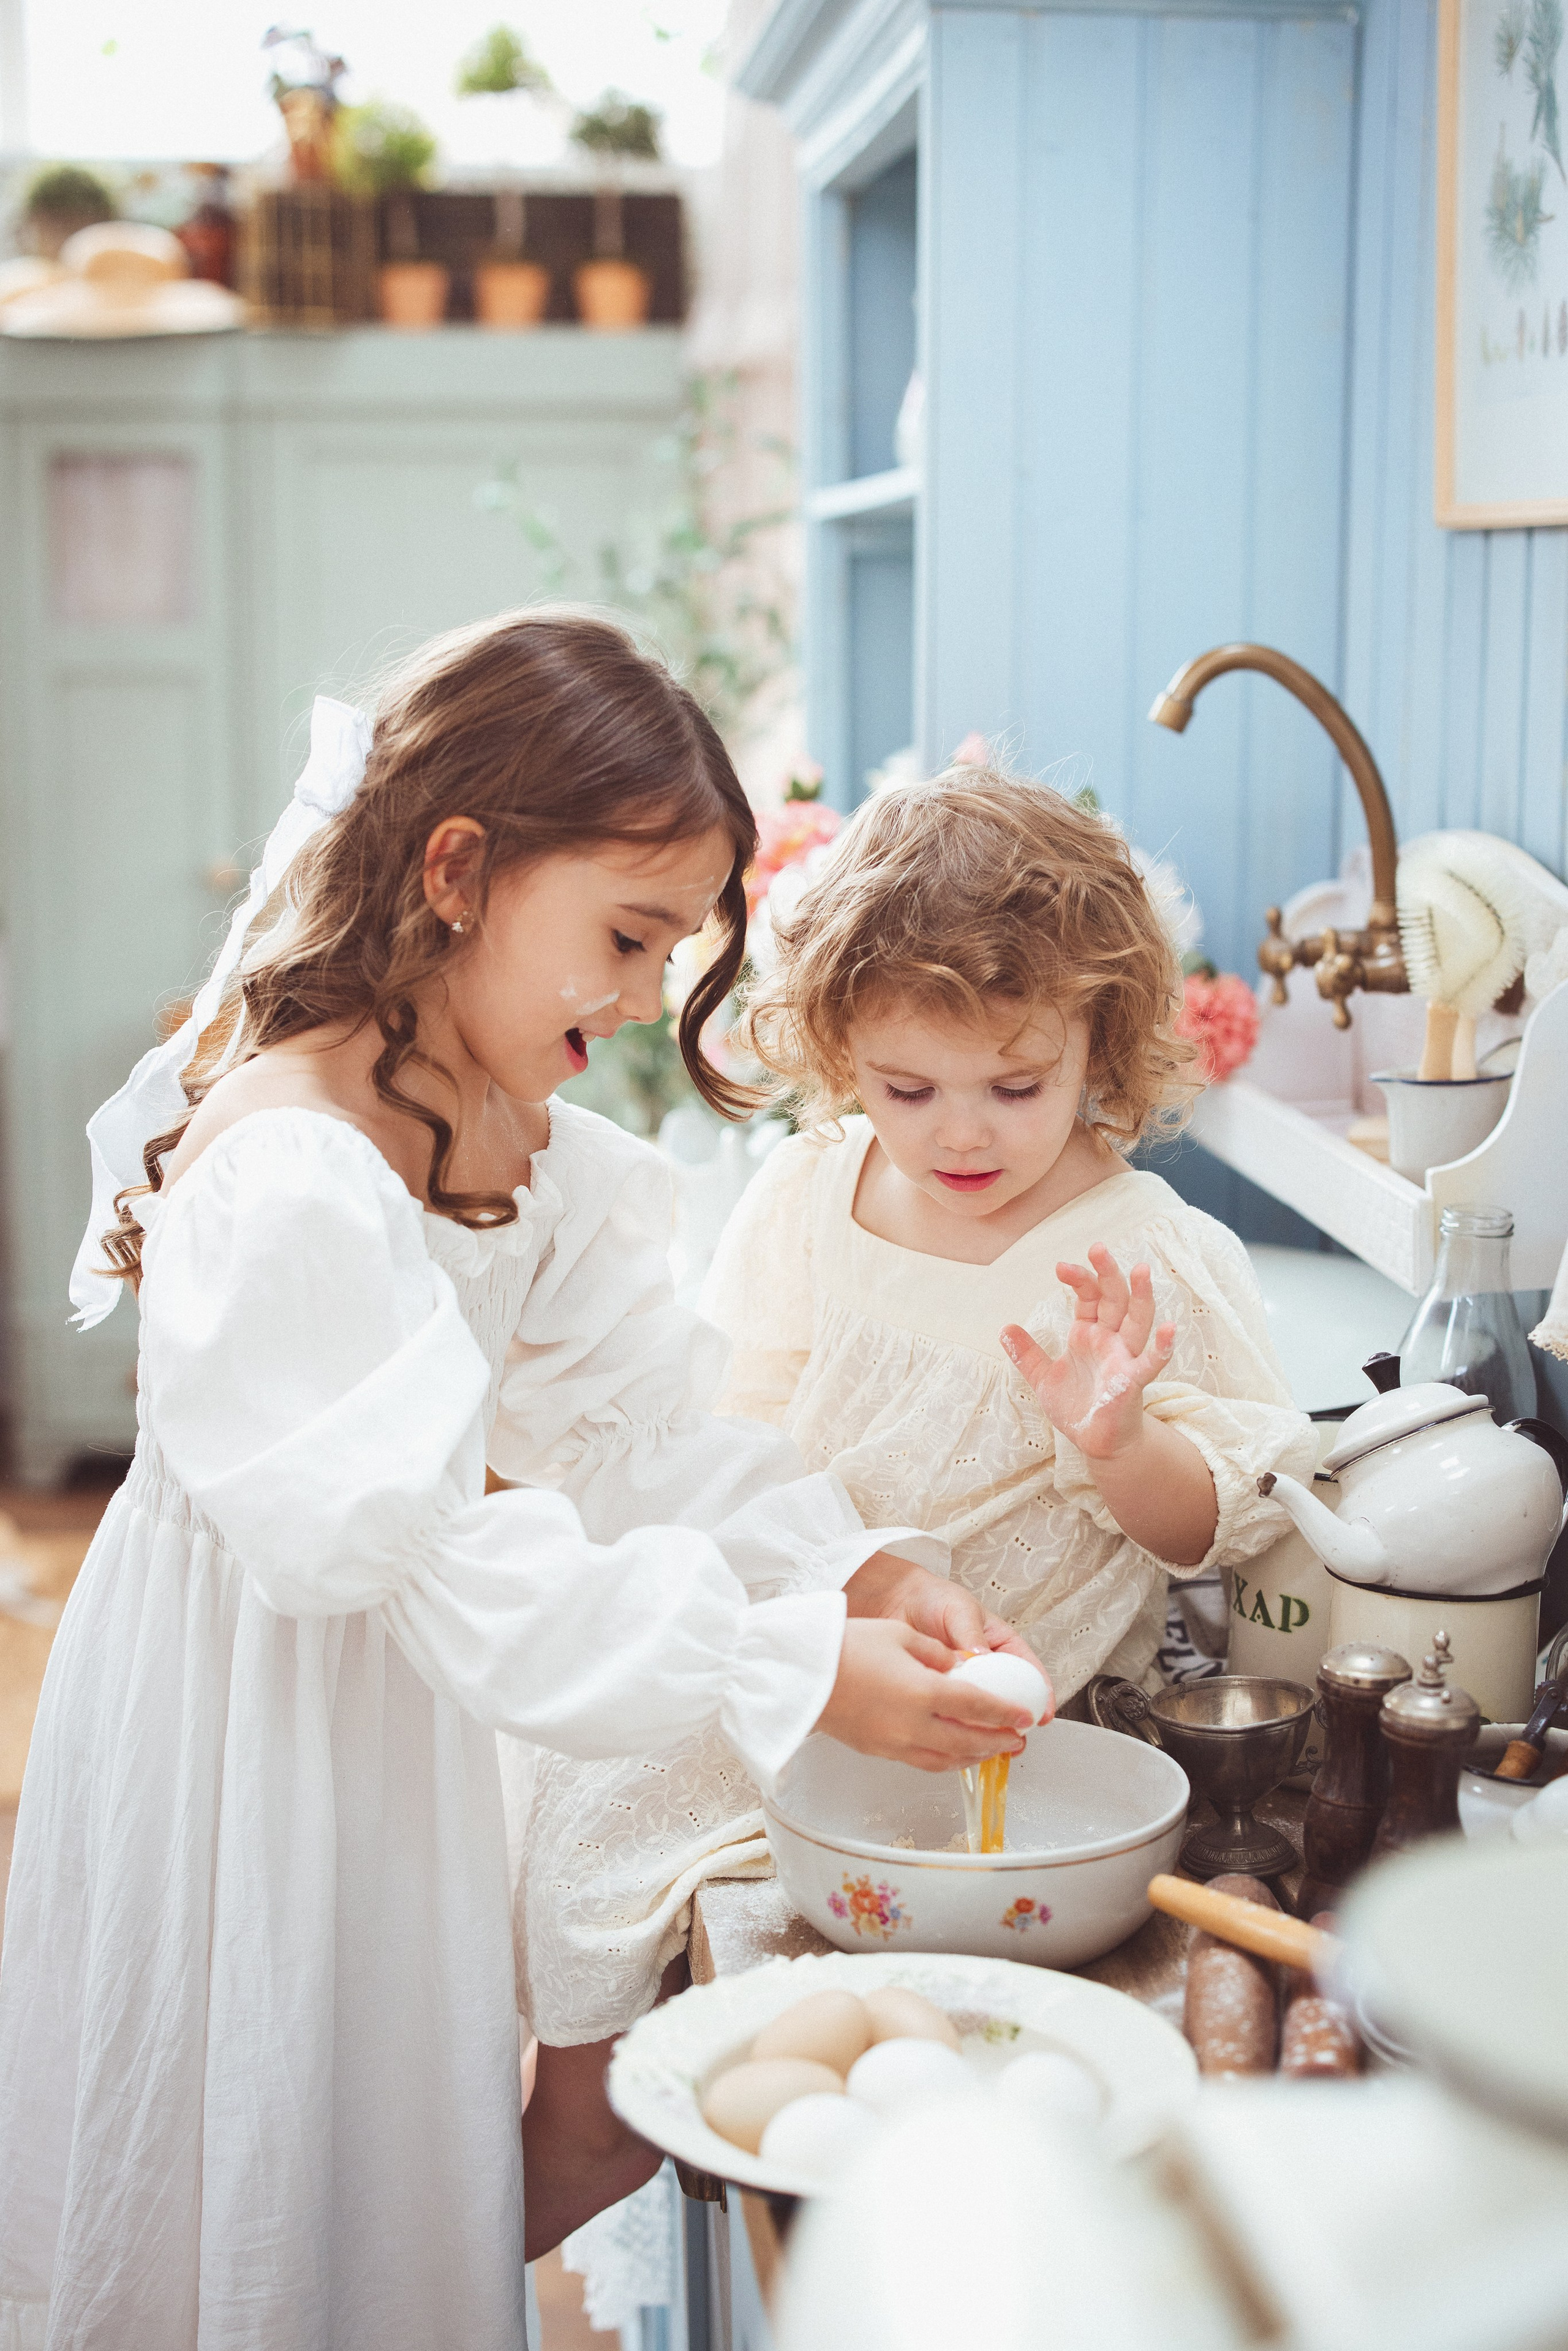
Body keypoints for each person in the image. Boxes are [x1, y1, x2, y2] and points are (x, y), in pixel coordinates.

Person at [0, 619, 1039, 2351]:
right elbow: (452, 1559)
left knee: (371, 2164)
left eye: (673, 952)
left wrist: (850, 1573)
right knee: (245, 2129)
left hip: (392, 1731)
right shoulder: (290, 1181)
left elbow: (635, 1434)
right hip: (247, 1744)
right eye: (627, 938)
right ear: (459, 869)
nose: (642, 1000)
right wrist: (782, 1665)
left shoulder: (515, 1148)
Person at [510, 765, 1314, 2054]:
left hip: (994, 1744)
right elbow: (738, 1425)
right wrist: (801, 1609)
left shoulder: (1142, 1255)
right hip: (800, 1662)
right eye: (904, 1088)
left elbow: (1202, 1530)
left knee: (849, 2039)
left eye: (1013, 1086)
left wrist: (1117, 1439)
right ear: (840, 1058)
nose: (958, 1137)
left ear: (1097, 1042)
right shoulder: (816, 1192)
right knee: (570, 1875)